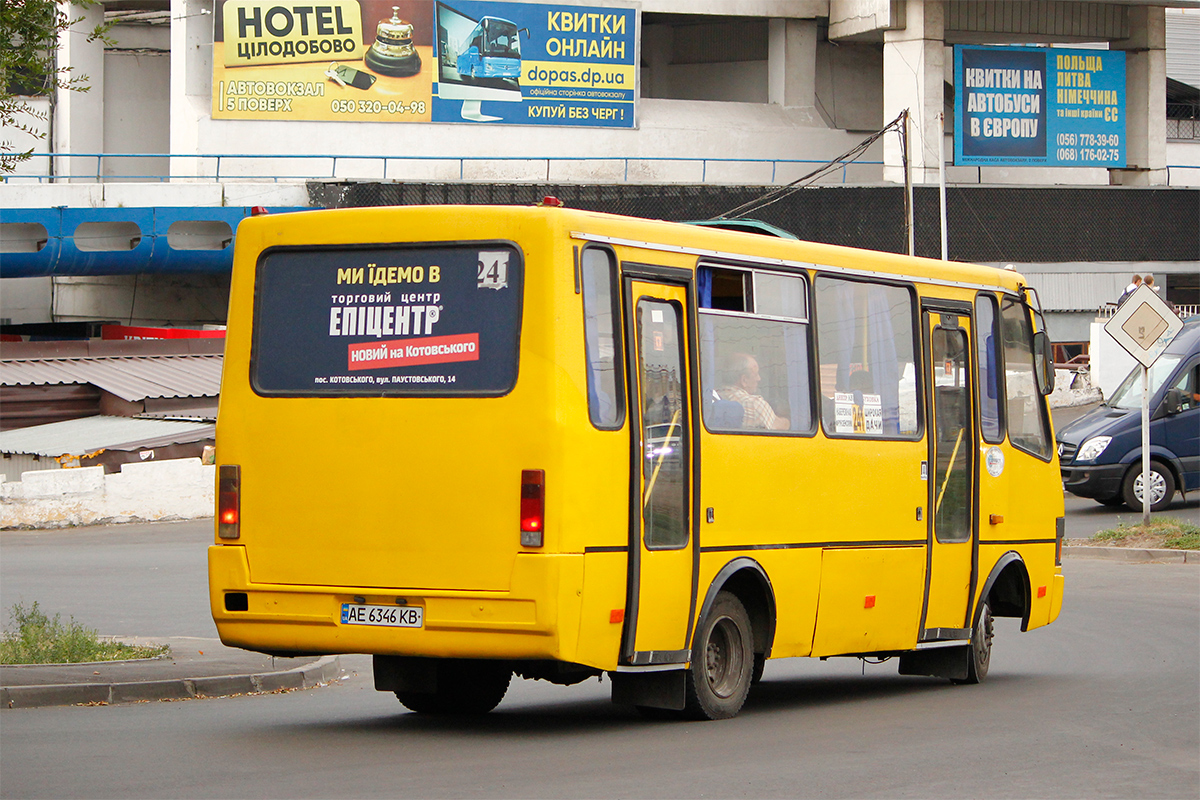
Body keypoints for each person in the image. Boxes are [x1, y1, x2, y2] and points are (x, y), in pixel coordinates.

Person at [717, 352, 789, 430]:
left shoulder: (715, 397)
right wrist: (788, 418)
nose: (759, 378)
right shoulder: (754, 405)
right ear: (744, 380)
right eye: (756, 374)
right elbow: (781, 427)